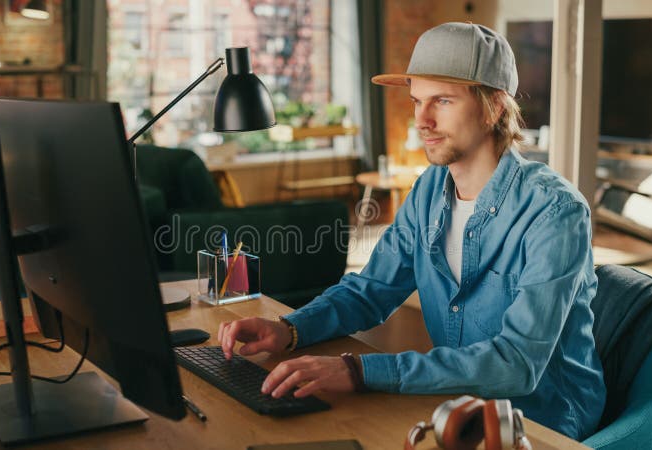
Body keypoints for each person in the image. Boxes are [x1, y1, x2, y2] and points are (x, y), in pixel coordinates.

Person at [218, 22, 605, 440]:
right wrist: (291, 329)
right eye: (417, 100)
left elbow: (515, 364)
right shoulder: (429, 190)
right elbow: (371, 290)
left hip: (545, 424)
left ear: (494, 106)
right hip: (457, 407)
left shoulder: (555, 212)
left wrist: (357, 369)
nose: (422, 119)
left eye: (442, 100)